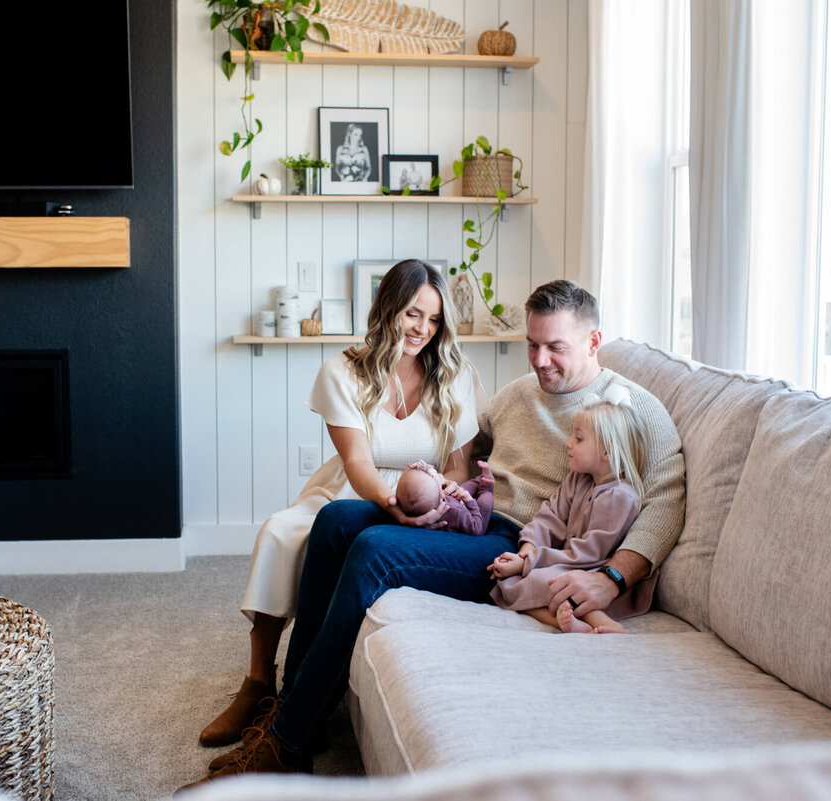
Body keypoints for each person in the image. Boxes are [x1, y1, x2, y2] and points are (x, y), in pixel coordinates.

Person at [182, 279, 684, 787]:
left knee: (375, 551)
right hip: (474, 518)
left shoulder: (629, 406)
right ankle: (291, 711)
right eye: (532, 344)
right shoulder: (517, 395)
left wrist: (614, 577)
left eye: (556, 347)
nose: (539, 360)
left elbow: (666, 495)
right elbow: (463, 451)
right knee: (333, 521)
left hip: (516, 547)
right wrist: (439, 486)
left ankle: (285, 747)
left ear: (594, 342)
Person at [197, 259, 484, 750]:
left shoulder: (454, 376)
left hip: (426, 493)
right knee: (280, 532)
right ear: (389, 307)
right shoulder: (342, 371)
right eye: (413, 314)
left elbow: (459, 467)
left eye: (434, 320)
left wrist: (433, 499)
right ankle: (258, 682)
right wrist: (389, 500)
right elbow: (358, 463)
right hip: (355, 488)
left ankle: (298, 696)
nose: (422, 329)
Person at [488, 383, 650, 634]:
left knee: (547, 581)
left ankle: (606, 624)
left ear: (606, 452)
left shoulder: (619, 497)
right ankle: (567, 623)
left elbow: (588, 555)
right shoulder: (579, 479)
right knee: (508, 582)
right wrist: (526, 552)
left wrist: (530, 563)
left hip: (593, 568)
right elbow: (550, 516)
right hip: (570, 562)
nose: (568, 443)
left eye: (579, 438)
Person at [395, 459, 495, 537]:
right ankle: (486, 488)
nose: (436, 475)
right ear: (441, 493)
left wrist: (418, 467)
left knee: (463, 488)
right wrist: (470, 502)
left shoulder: (424, 502)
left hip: (453, 499)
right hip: (474, 519)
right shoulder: (457, 513)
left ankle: (479, 480)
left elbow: (422, 485)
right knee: (484, 503)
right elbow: (476, 529)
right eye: (432, 477)